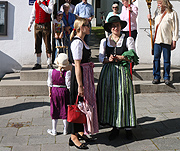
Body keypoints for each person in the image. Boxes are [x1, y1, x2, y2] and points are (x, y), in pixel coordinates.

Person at [97, 16, 138, 141]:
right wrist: (107, 59)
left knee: (124, 96)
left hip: (122, 72)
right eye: (113, 26)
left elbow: (133, 56)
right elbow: (100, 58)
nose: (115, 28)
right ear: (110, 28)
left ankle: (128, 128)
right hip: (109, 72)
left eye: (117, 25)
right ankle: (114, 126)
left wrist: (122, 57)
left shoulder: (128, 39)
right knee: (111, 98)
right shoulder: (104, 41)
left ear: (121, 26)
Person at [68, 18, 99, 149]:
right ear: (81, 27)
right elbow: (77, 66)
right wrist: (80, 85)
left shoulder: (82, 41)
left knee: (83, 105)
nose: (89, 27)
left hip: (85, 76)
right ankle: (73, 136)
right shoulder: (77, 43)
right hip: (79, 78)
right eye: (87, 25)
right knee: (77, 105)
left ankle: (81, 131)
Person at [147, 0, 179, 85]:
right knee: (156, 59)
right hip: (157, 40)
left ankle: (166, 77)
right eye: (158, 3)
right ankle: (156, 77)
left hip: (167, 40)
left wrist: (174, 40)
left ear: (165, 4)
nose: (158, 5)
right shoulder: (157, 13)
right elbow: (153, 23)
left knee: (166, 60)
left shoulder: (172, 13)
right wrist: (150, 19)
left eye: (160, 3)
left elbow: (176, 28)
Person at [28, 0, 53, 69]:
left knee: (47, 44)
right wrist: (30, 24)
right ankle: (38, 63)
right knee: (37, 44)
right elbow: (33, 14)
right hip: (37, 25)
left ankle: (49, 63)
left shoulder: (49, 1)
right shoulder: (36, 2)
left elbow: (49, 11)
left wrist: (41, 4)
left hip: (46, 25)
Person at [47, 53, 71, 136]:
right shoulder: (67, 73)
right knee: (64, 109)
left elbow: (49, 83)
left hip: (54, 91)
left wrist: (49, 92)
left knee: (55, 109)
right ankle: (65, 129)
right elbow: (68, 85)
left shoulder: (51, 71)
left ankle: (54, 130)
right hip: (64, 91)